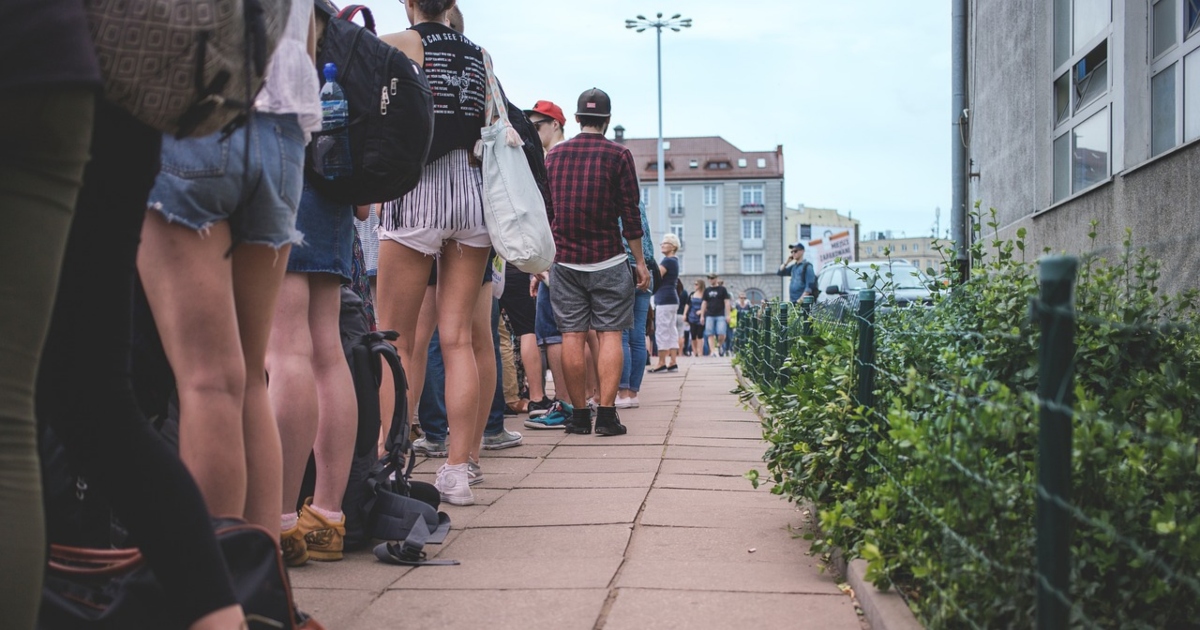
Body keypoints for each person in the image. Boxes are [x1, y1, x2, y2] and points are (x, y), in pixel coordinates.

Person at [376, 0, 494, 506]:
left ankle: (387, 460)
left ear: (408, 3)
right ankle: (459, 471)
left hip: (417, 190)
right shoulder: (481, 55)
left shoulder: (402, 43)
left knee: (395, 341)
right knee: (459, 340)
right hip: (472, 195)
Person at [545, 88, 650, 436]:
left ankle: (578, 416)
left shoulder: (554, 157)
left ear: (576, 119)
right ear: (606, 120)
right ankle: (606, 415)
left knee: (571, 336)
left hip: (565, 261)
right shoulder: (619, 155)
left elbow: (546, 213)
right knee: (610, 336)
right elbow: (630, 215)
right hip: (608, 260)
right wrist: (640, 261)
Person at [618, 200, 655, 408]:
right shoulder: (639, 204)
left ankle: (622, 393)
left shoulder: (615, 202)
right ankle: (632, 393)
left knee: (621, 333)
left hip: (625, 267)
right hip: (647, 269)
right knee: (638, 336)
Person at [648, 233, 681, 373]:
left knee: (662, 330)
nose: (662, 244)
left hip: (664, 299)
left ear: (673, 247)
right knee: (672, 330)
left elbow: (656, 277)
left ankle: (661, 362)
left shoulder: (667, 261)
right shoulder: (675, 260)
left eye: (666, 243)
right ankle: (673, 361)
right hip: (672, 299)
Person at [699, 274, 732, 356]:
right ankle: (713, 351)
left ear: (716, 279)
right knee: (710, 334)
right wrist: (702, 316)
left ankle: (719, 345)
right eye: (709, 278)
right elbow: (704, 303)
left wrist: (728, 315)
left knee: (722, 333)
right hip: (709, 315)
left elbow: (727, 302)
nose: (710, 279)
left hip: (720, 314)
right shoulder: (707, 290)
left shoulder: (722, 289)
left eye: (712, 278)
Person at [685, 279, 706, 357]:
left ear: (701, 285)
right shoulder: (692, 294)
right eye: (694, 284)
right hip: (692, 316)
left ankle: (700, 351)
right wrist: (685, 314)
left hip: (701, 317)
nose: (695, 285)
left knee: (700, 334)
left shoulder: (704, 294)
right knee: (693, 334)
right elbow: (687, 304)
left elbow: (707, 304)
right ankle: (695, 351)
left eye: (696, 284)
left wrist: (702, 311)